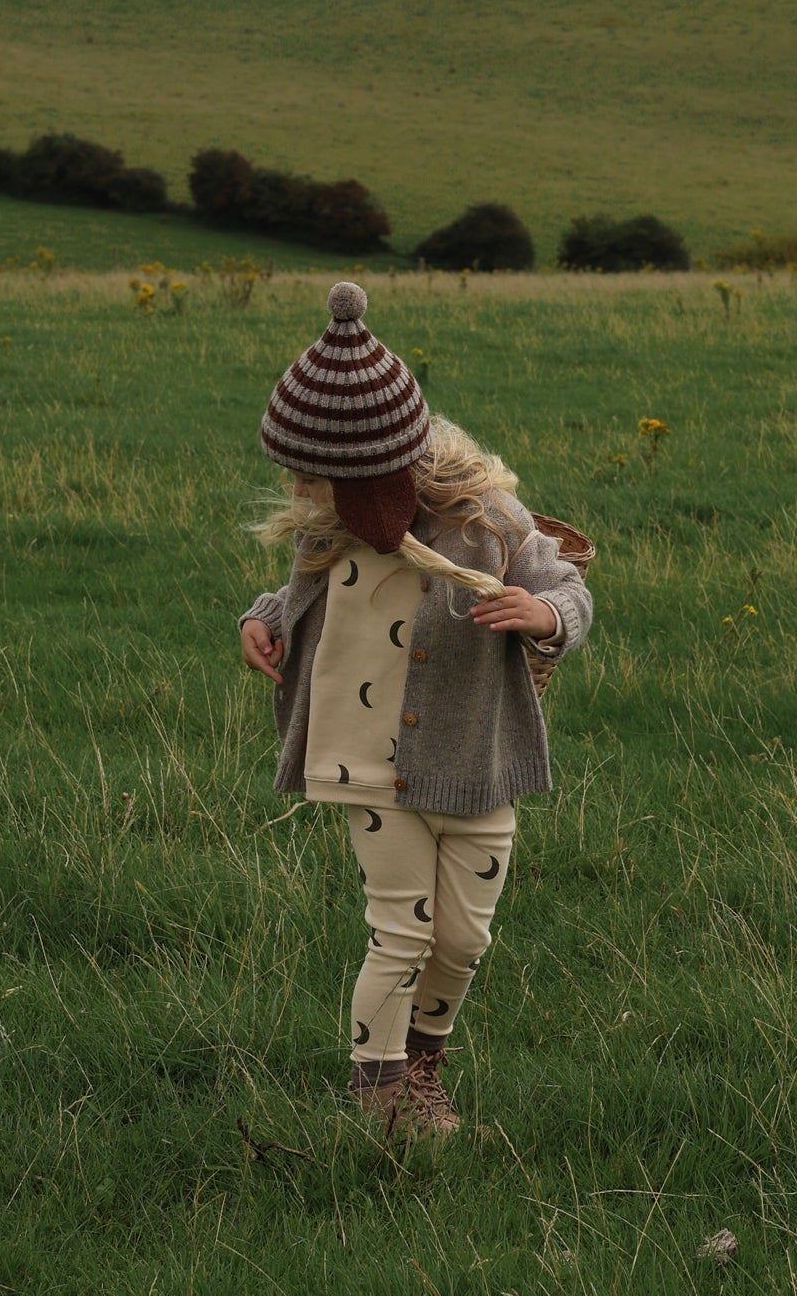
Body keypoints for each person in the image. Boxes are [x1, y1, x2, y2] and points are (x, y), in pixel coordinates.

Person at [240, 281, 593, 1138]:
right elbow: (297, 600)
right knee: (402, 930)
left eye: (318, 476)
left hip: (476, 762)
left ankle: (426, 1065)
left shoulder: (492, 523)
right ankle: (379, 1095)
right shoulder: (328, 529)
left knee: (462, 941)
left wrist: (543, 617)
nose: (303, 490)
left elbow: (567, 589)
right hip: (366, 760)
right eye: (301, 475)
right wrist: (259, 621)